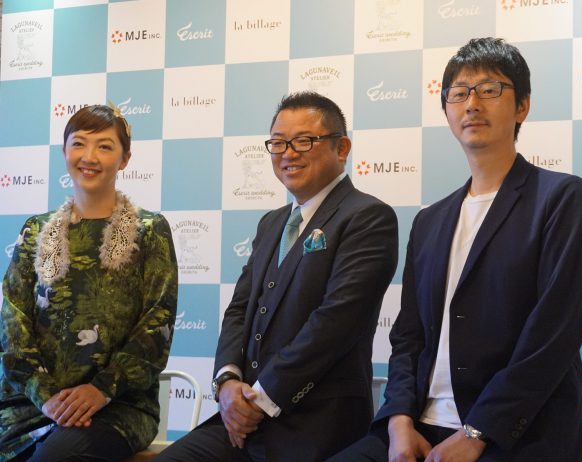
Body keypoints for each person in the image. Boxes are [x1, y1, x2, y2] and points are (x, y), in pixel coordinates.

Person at [328, 37, 582, 462]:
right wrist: (398, 420)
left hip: (515, 433)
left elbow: (553, 337)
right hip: (420, 425)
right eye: (458, 93)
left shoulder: (562, 198)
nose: (472, 103)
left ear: (522, 106)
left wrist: (477, 433)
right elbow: (408, 337)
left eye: (489, 89)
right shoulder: (430, 221)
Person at [155, 91, 399, 462]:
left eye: (304, 141)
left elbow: (335, 323)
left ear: (342, 147)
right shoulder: (271, 223)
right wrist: (227, 382)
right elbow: (239, 310)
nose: (288, 153)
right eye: (279, 143)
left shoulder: (367, 217)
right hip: (241, 422)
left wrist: (263, 399)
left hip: (317, 425)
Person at [0, 104, 178, 461]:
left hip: (116, 406)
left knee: (56, 457)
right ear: (65, 151)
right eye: (79, 143)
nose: (89, 157)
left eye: (105, 146)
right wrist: (45, 395)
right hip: (32, 405)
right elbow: (12, 322)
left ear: (125, 159)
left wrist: (101, 389)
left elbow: (156, 324)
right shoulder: (36, 230)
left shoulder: (150, 230)